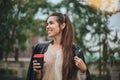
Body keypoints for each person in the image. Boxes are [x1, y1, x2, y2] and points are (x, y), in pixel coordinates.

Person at [26, 12, 91, 80]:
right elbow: (33, 77)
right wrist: (37, 73)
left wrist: (84, 70)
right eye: (47, 24)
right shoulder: (40, 48)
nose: (47, 27)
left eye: (51, 23)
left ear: (62, 26)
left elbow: (79, 78)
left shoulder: (75, 50)